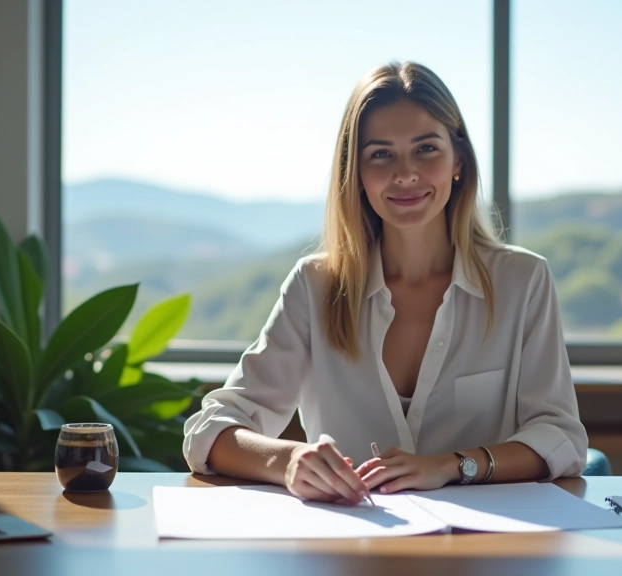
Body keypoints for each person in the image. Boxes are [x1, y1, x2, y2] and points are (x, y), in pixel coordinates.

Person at [183, 61, 587, 505]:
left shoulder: (522, 281)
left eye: (426, 149)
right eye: (381, 154)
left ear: (459, 161)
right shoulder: (314, 286)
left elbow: (560, 437)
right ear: (355, 173)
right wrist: (289, 461)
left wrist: (452, 465)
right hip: (350, 546)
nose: (405, 174)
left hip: (485, 550)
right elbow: (211, 430)